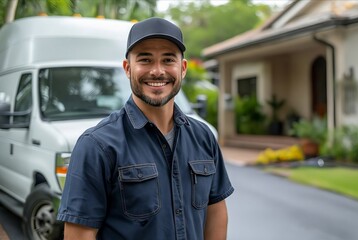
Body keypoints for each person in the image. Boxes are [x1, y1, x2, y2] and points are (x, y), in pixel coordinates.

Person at [57, 17, 234, 240]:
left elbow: (216, 211)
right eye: (146, 60)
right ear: (128, 68)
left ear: (183, 68)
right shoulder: (97, 145)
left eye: (168, 59)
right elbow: (79, 234)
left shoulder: (203, 137)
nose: (157, 71)